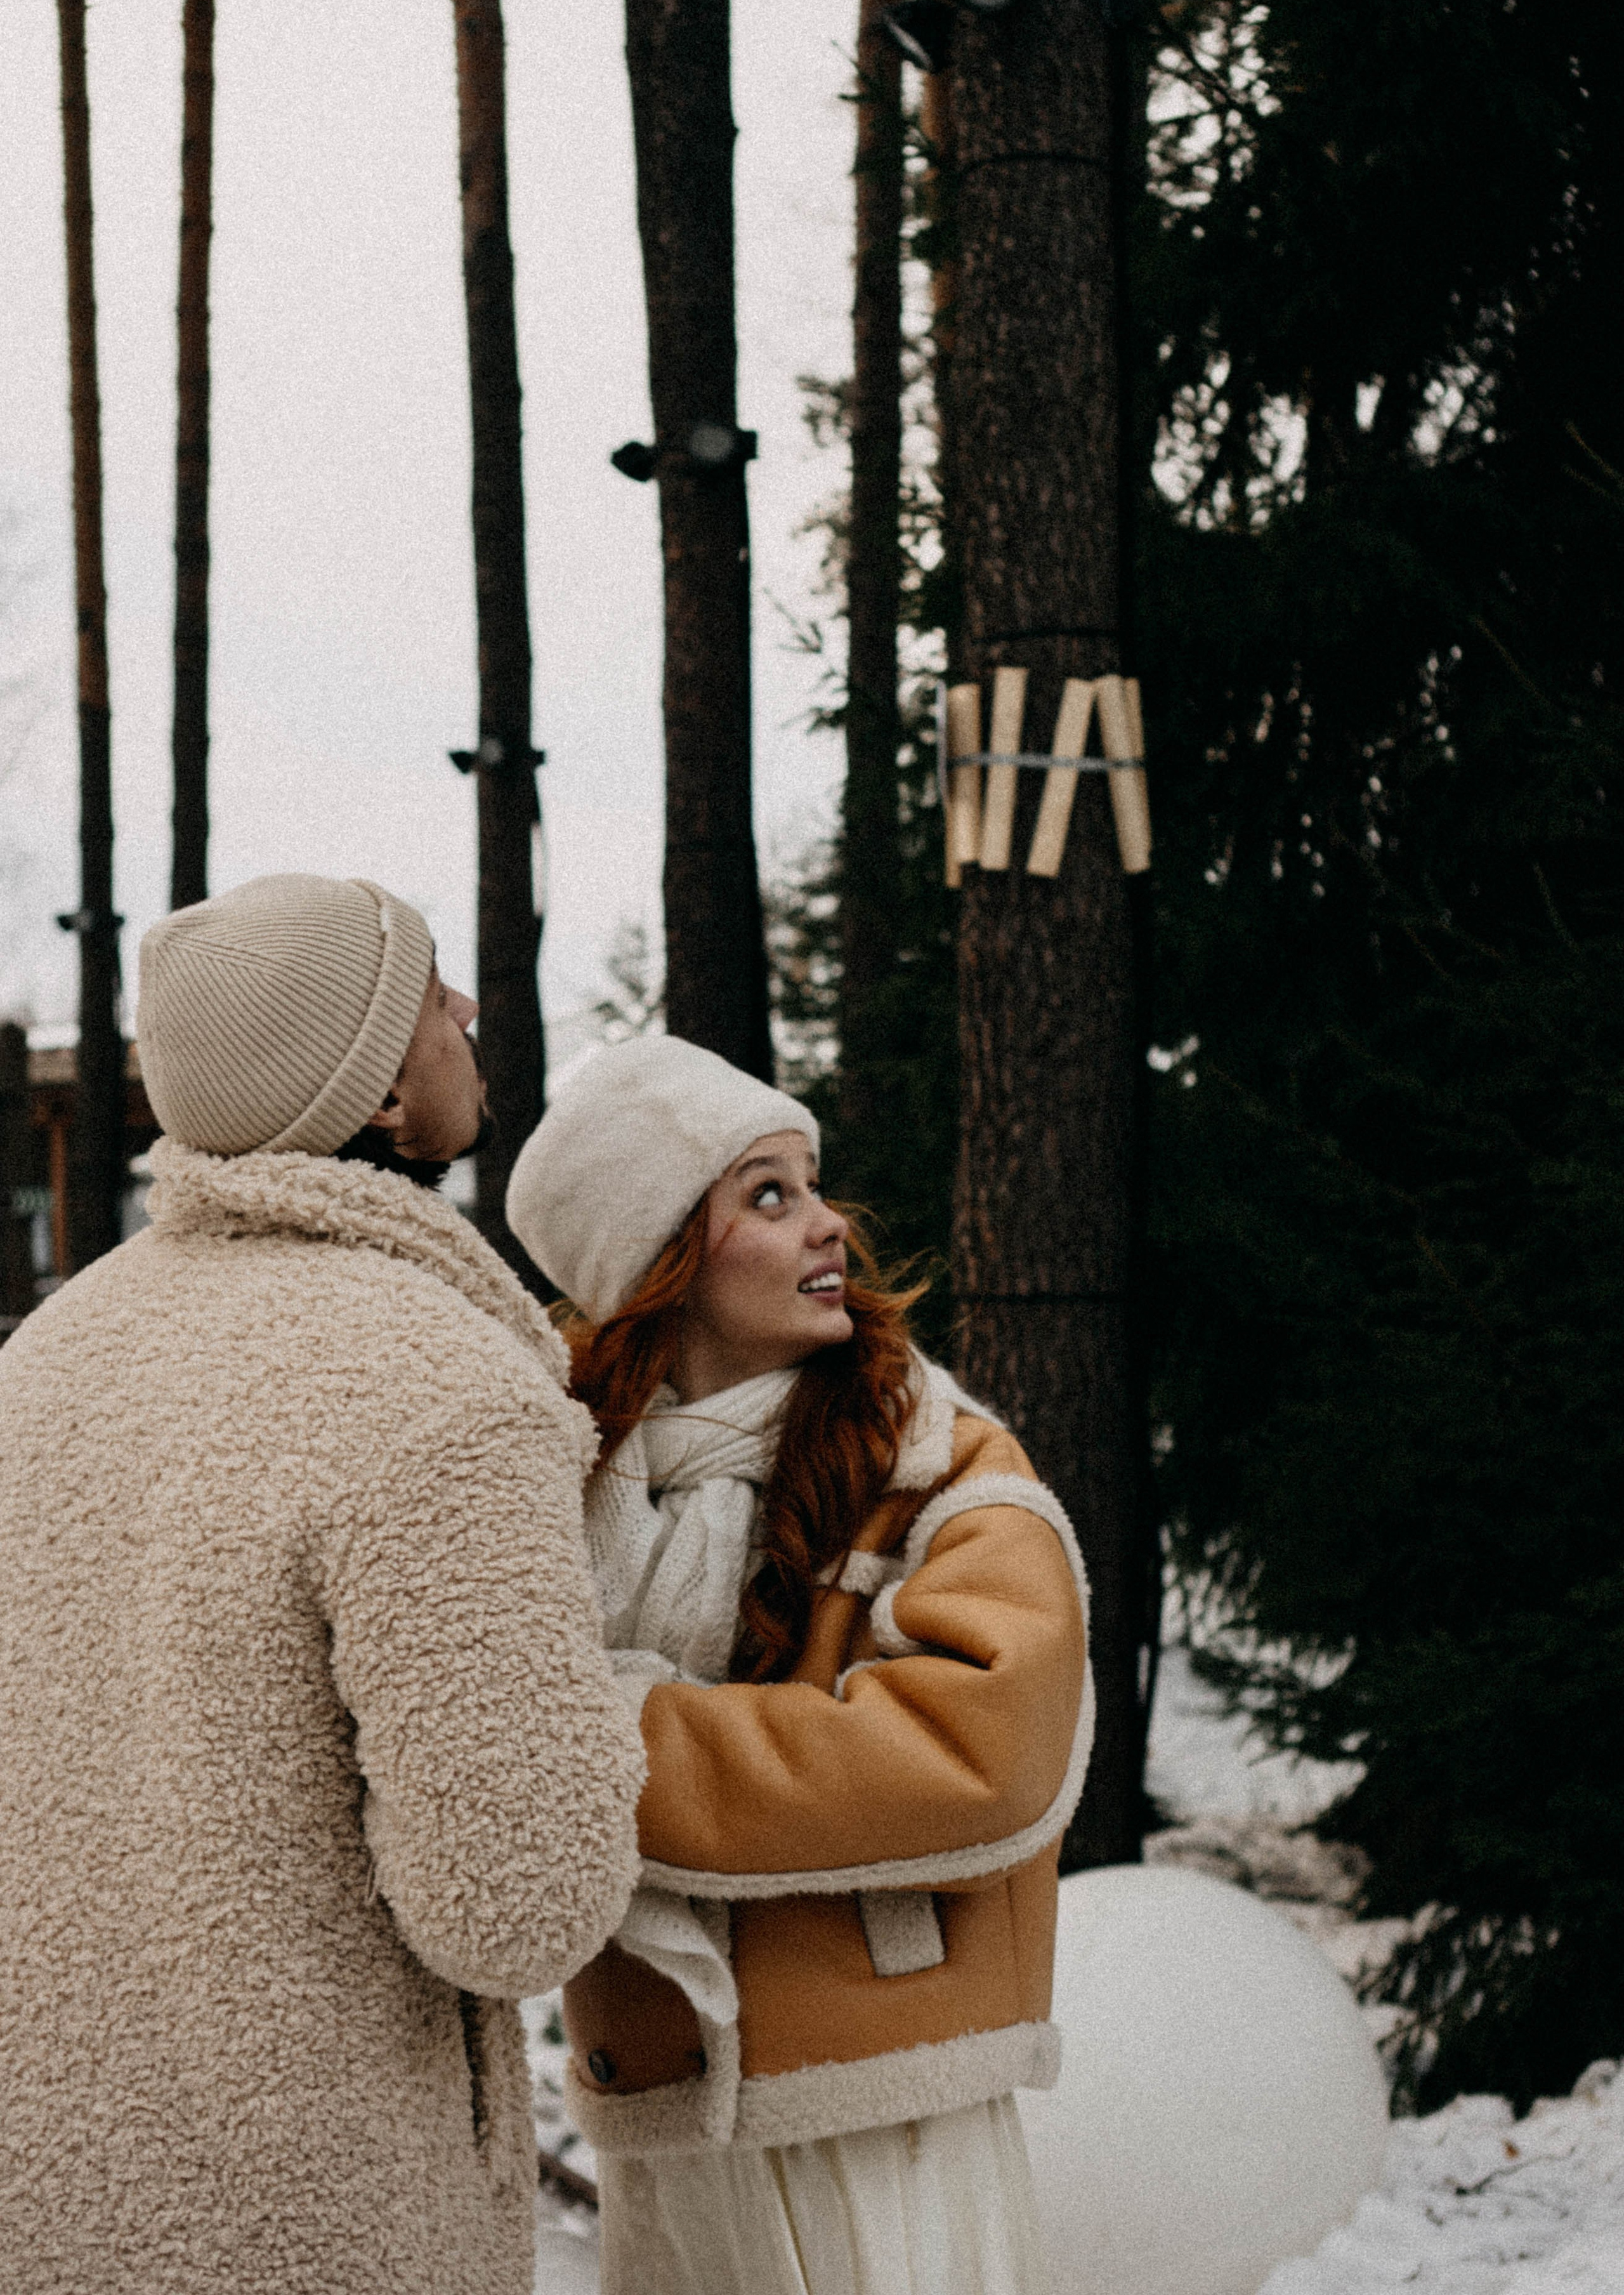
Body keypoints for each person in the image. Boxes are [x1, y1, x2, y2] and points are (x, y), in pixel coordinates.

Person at [0, 873, 645, 2295]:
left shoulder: (44, 1361)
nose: (467, 1008)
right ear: (379, 1098)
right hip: (307, 2214)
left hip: (42, 2192)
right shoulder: (437, 1389)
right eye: (430, 993)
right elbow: (518, 1903)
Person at [506, 1033, 1093, 2295]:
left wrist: (608, 1736)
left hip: (889, 2120)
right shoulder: (558, 1491)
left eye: (811, 1185)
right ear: (657, 1261)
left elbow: (981, 1749)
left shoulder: (936, 1460)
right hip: (671, 2109)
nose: (828, 1224)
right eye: (766, 1196)